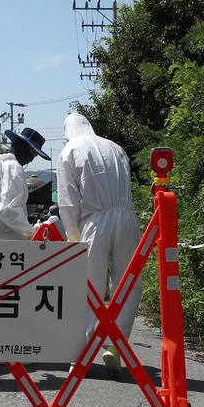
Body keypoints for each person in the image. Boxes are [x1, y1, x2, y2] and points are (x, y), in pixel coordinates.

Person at [58, 112, 140, 374]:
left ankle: (79, 351)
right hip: (126, 217)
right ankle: (115, 345)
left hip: (95, 221)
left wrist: (72, 234)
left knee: (88, 285)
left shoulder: (69, 150)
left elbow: (68, 200)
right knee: (126, 282)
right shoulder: (115, 147)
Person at [0, 126, 49, 240]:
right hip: (7, 243)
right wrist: (31, 233)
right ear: (23, 146)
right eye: (33, 151)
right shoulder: (13, 168)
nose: (33, 157)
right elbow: (8, 209)